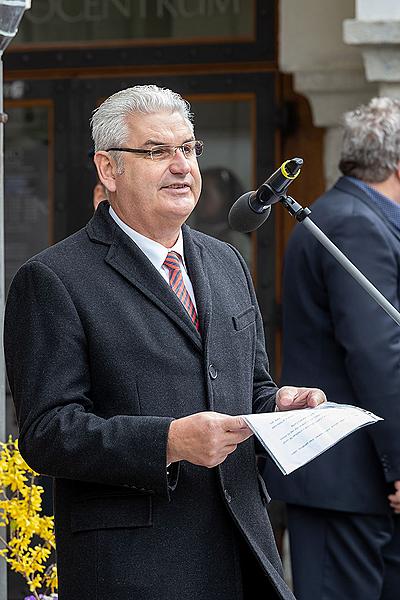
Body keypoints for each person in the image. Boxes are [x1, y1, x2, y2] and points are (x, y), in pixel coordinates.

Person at [4, 84, 325, 600]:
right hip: (136, 569)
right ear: (108, 170)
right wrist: (169, 442)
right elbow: (47, 431)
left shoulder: (225, 262)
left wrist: (282, 404)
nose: (182, 166)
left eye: (189, 149)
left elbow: (252, 387)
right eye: (157, 151)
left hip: (244, 552)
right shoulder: (53, 279)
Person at [265, 96, 400, 600]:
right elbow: (379, 353)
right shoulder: (352, 222)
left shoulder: (357, 215)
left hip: (363, 479)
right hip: (345, 475)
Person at [191, 166, 252, 265]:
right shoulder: (187, 234)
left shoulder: (236, 240)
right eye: (198, 193)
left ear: (224, 198)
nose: (198, 200)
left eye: (205, 194)